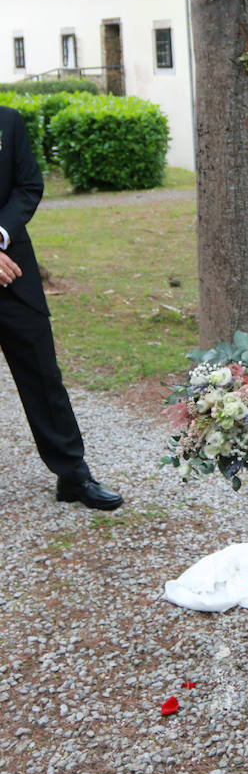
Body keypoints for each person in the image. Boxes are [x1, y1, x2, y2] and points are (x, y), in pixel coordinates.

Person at [0, 105, 123, 510]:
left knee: (43, 376)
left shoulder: (9, 121)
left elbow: (28, 186)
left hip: (12, 273)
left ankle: (72, 474)